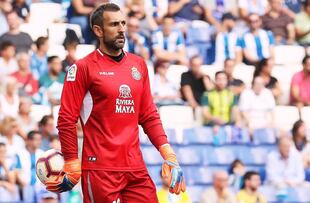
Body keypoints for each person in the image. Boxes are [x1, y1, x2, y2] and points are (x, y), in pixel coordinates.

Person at [45, 3, 186, 202]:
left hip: (135, 167)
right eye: (114, 24)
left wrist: (168, 152)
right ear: (98, 30)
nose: (121, 29)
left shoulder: (138, 65)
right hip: (100, 168)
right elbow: (66, 119)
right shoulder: (82, 68)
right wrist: (71, 161)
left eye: (123, 23)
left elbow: (148, 114)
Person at [16, 131, 43, 202]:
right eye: (36, 139)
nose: (39, 142)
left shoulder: (42, 153)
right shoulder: (20, 153)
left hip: (40, 186)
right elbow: (17, 170)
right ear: (29, 140)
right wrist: (22, 182)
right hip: (25, 186)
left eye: (40, 139)